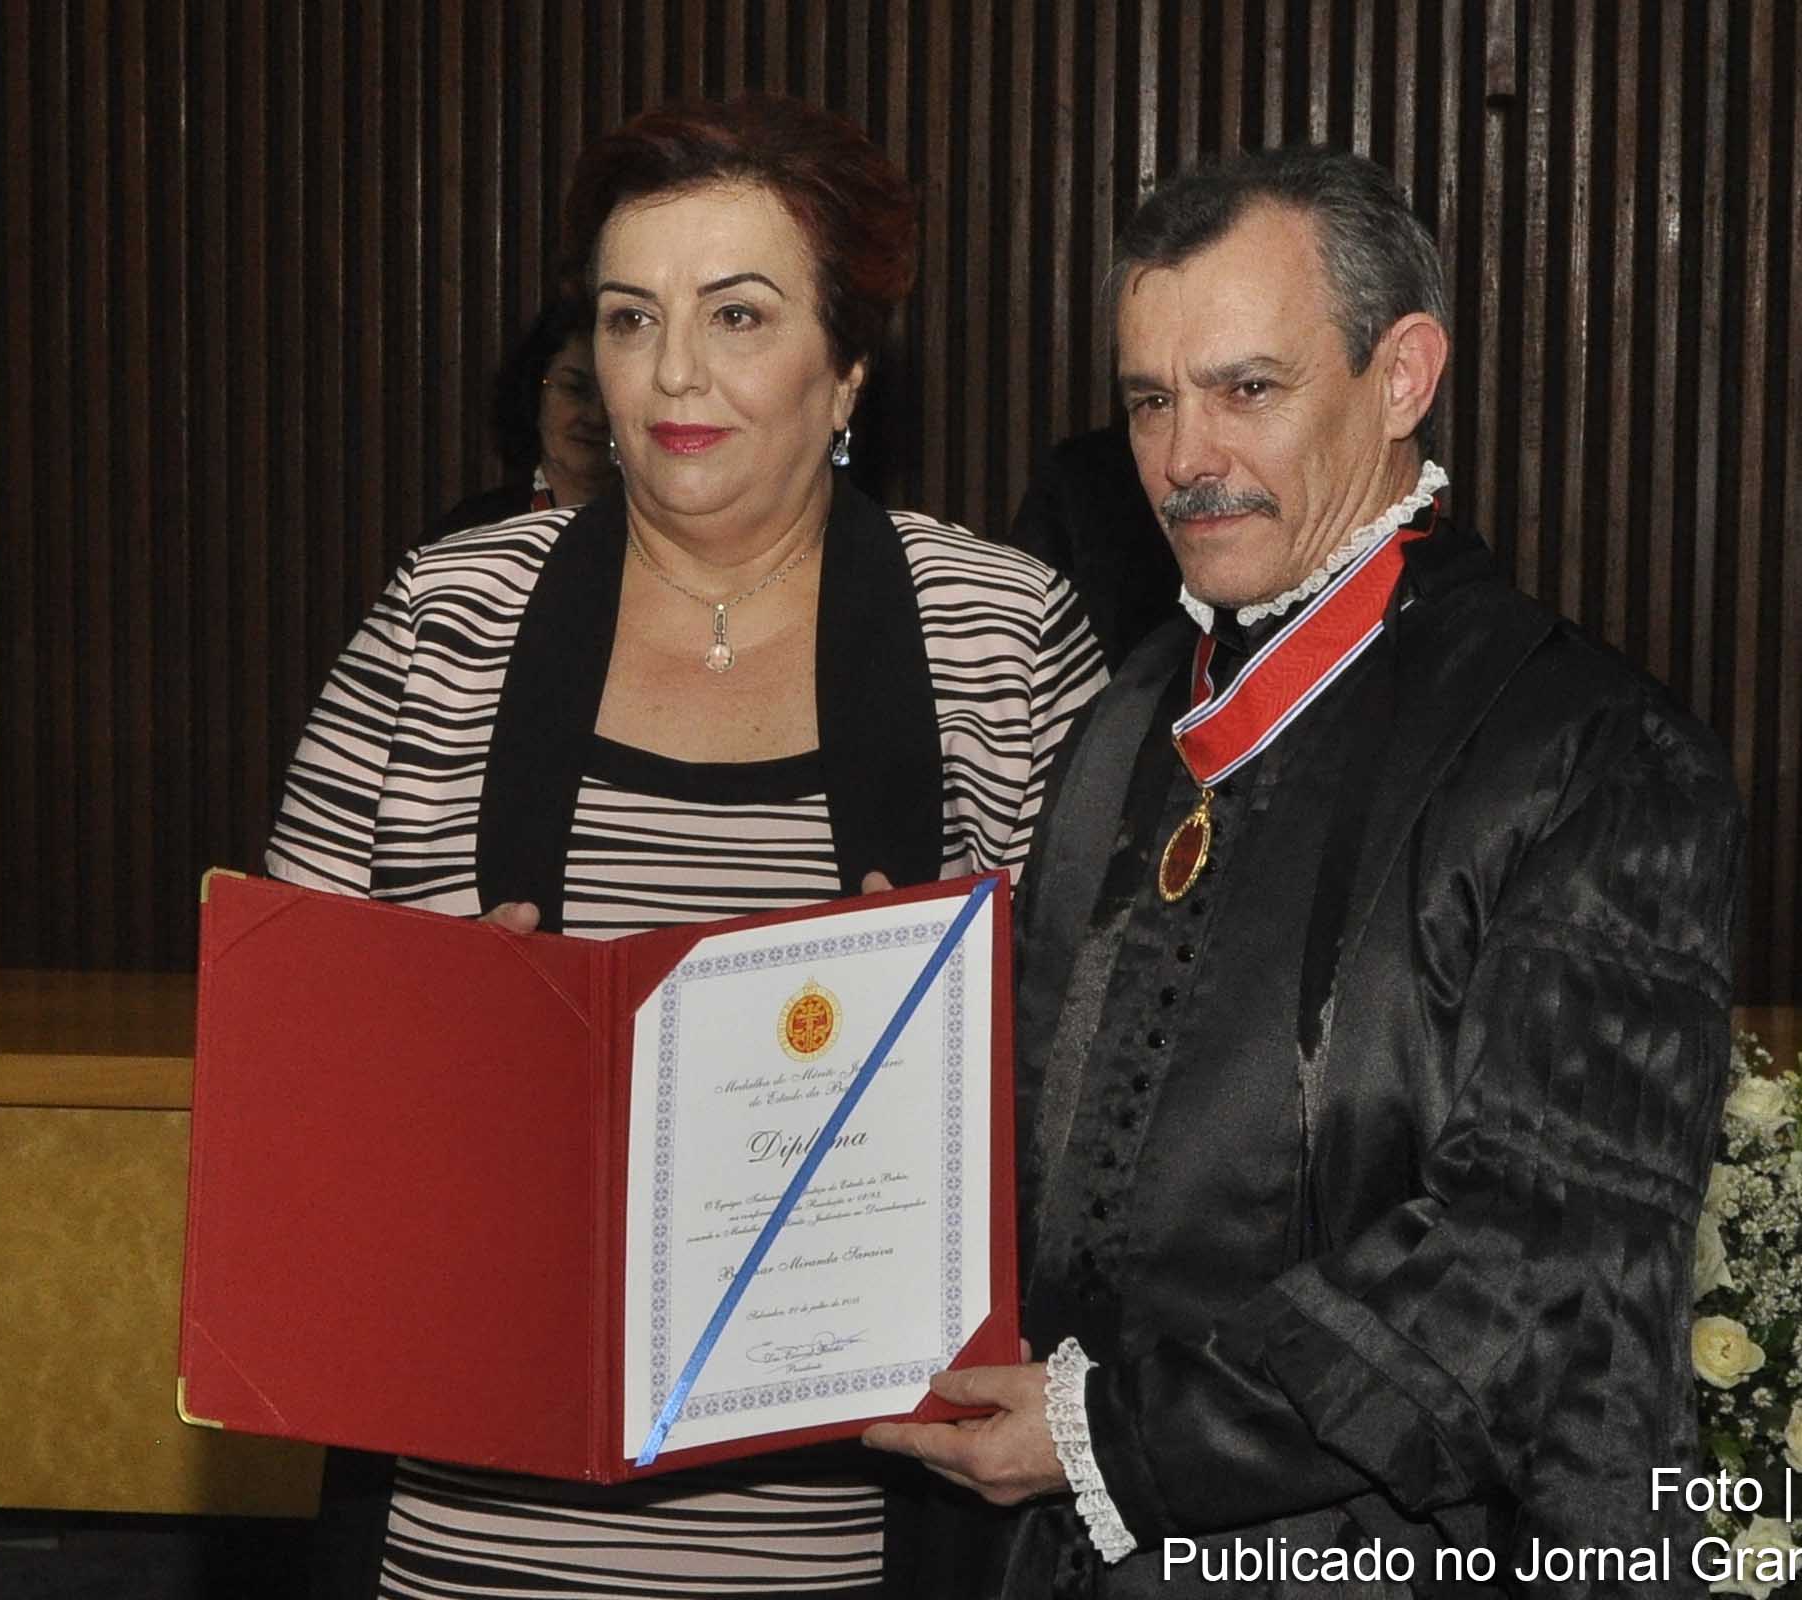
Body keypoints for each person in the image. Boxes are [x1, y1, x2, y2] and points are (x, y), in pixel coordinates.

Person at [866, 145, 1744, 1598]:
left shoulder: (1591, 752)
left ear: (1400, 379)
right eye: (1151, 400)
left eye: (1247, 389)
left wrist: (1104, 1435)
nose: (1185, 456)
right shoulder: (1129, 715)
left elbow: (1534, 1276)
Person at [264, 93, 1107, 1599]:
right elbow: (280, 1074)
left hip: (858, 1535)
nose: (672, 373)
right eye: (629, 317)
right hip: (470, 1528)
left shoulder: (1000, 638)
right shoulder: (444, 618)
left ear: (846, 370)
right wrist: (433, 1052)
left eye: (737, 315)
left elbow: (1124, 1093)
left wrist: (939, 1059)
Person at [434, 296, 618, 534]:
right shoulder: (468, 532)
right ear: (533, 391)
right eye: (575, 389)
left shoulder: (665, 537)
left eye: (611, 396)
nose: (596, 417)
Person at [1002, 422, 1176, 667]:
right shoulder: (1078, 471)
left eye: (1250, 390)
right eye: (1156, 403)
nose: (1183, 466)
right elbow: (1020, 625)